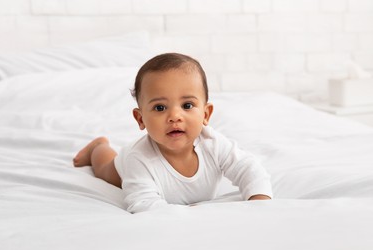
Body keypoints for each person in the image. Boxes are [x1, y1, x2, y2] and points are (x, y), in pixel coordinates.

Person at [73, 53, 272, 213]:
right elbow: (143, 204)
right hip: (121, 167)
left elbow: (249, 169)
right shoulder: (139, 159)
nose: (175, 116)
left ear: (205, 114)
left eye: (187, 105)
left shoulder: (213, 144)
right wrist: (186, 214)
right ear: (140, 119)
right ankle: (98, 146)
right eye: (160, 108)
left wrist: (259, 201)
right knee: (104, 169)